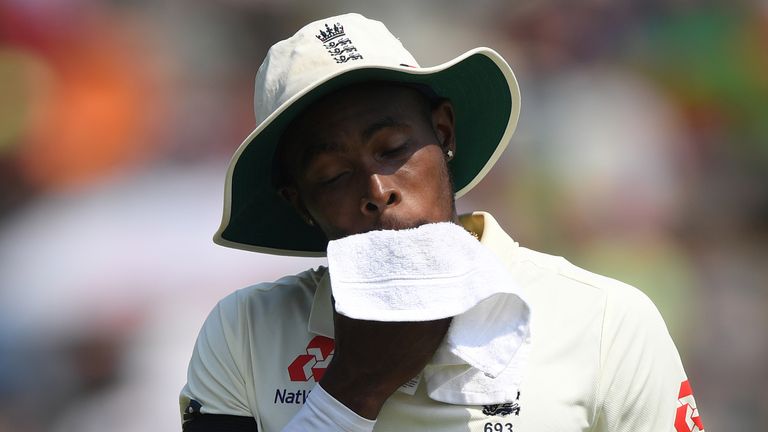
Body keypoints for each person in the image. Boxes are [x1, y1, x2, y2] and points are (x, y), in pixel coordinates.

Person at [179, 13, 704, 432]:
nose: (377, 190)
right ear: (299, 203)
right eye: (334, 174)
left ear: (444, 133)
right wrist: (352, 392)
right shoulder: (244, 333)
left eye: (393, 148)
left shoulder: (607, 321)